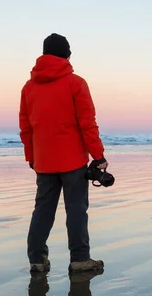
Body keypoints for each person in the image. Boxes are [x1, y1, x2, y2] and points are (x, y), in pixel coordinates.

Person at [19, 33, 107, 273]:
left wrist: (32, 157)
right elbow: (87, 123)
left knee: (42, 210)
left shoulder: (28, 87)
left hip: (44, 161)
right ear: (67, 54)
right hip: (73, 161)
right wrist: (98, 157)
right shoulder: (76, 83)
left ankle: (37, 260)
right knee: (76, 210)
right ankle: (79, 259)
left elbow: (26, 128)